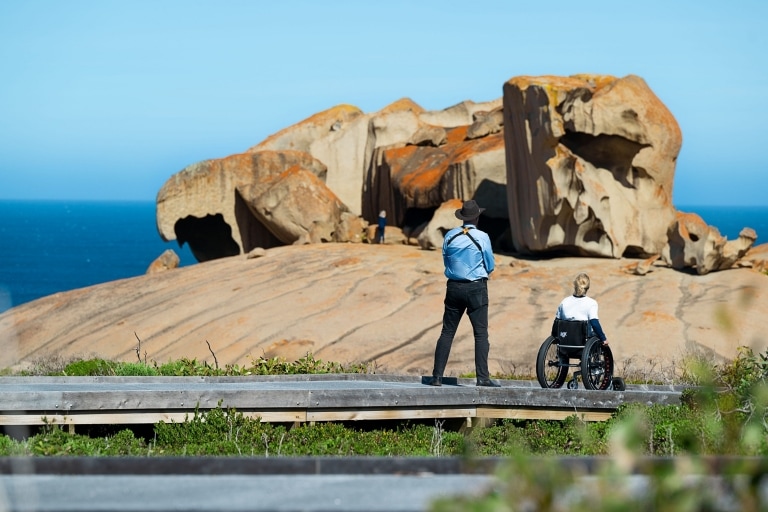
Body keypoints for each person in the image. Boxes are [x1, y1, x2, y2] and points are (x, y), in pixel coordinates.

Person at [427, 200, 499, 387]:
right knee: (481, 334)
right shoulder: (482, 236)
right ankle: (482, 378)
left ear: (462, 217)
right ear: (476, 217)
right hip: (476, 288)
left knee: (447, 332)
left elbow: (446, 261)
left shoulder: (450, 236)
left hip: (453, 287)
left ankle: (436, 377)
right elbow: (490, 265)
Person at [554, 273, 608, 345]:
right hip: (583, 343)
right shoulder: (591, 303)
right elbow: (594, 323)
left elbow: (556, 322)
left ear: (575, 285)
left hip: (565, 341)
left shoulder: (564, 301)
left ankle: (563, 356)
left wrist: (554, 338)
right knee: (598, 336)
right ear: (588, 287)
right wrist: (603, 338)